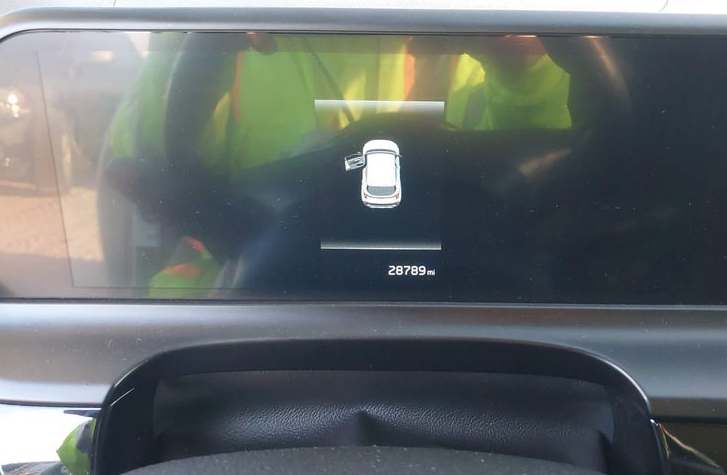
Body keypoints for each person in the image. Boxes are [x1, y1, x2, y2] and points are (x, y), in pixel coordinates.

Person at [100, 32, 573, 293]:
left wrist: (524, 71)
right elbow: (143, 165)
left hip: (464, 290)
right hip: (249, 298)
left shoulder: (488, 11)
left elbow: (558, 179)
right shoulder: (225, 6)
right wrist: (204, 53)